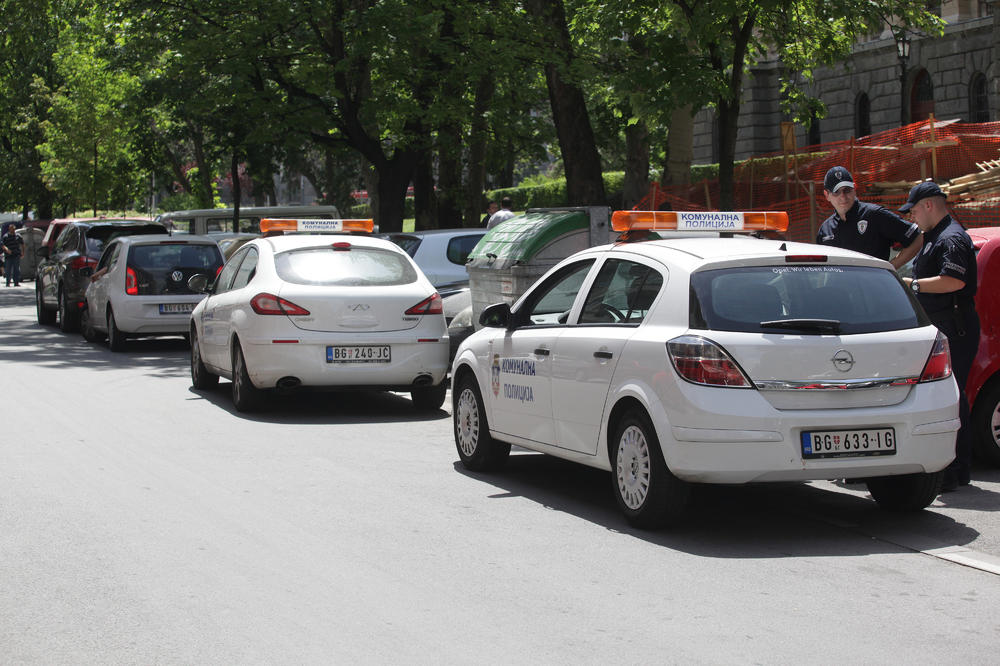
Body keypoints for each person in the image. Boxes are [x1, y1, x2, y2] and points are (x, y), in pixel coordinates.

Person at [900, 181, 979, 492]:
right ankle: (953, 469)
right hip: (943, 326)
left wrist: (913, 285)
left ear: (929, 205)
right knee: (949, 397)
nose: (912, 217)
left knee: (951, 398)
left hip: (955, 326)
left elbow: (953, 280)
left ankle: (955, 469)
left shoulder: (952, 238)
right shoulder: (935, 236)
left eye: (915, 210)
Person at [817, 166, 923, 269]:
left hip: (873, 286)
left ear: (854, 188)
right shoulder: (825, 230)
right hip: (840, 286)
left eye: (847, 190)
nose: (843, 196)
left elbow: (918, 238)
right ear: (827, 195)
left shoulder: (874, 215)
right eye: (836, 192)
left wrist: (890, 268)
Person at [2, 223, 24, 287]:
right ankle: (8, 283)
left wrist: (23, 252)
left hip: (16, 255)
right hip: (8, 256)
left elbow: (22, 244)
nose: (13, 230)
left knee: (16, 269)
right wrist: (7, 249)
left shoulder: (18, 236)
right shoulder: (5, 236)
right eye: (11, 228)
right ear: (9, 229)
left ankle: (16, 282)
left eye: (13, 228)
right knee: (8, 270)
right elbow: (2, 245)